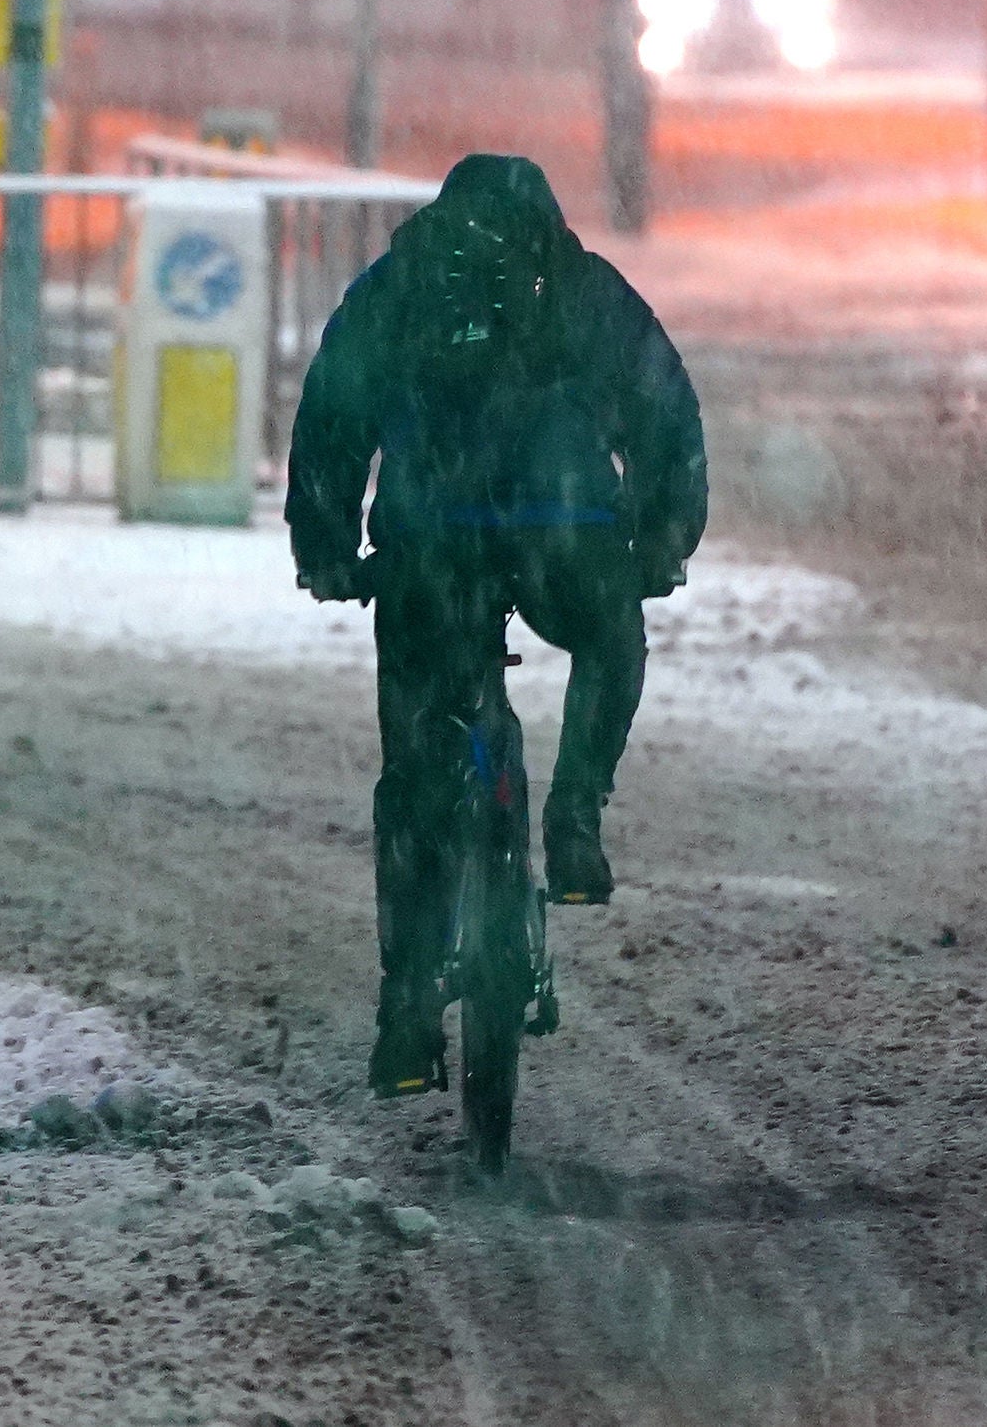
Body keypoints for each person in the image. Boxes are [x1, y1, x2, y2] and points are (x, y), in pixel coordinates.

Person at [286, 154, 707, 1097]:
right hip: (565, 536)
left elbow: (333, 415)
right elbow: (665, 413)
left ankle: (405, 1012)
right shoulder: (581, 288)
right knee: (611, 640)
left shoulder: (401, 285)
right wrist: (662, 541)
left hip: (429, 546)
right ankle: (573, 821)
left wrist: (326, 548)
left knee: (412, 778)